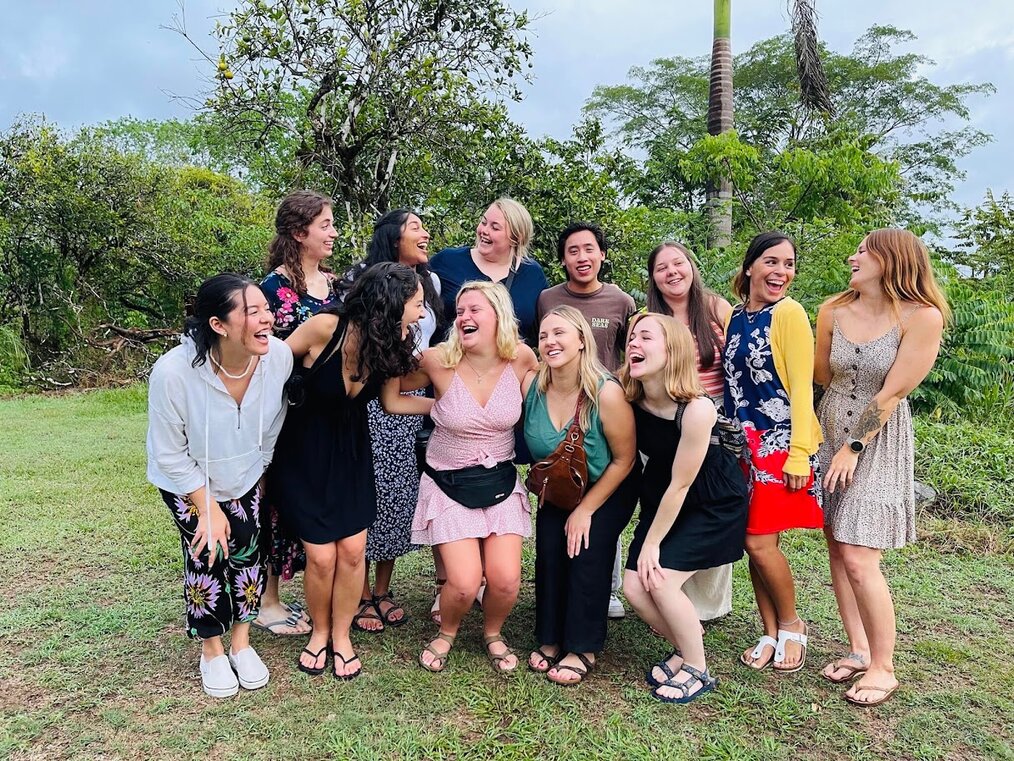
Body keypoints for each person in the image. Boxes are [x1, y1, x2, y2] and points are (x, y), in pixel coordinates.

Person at [267, 263, 429, 680]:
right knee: (321, 557)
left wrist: (450, 409)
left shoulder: (389, 343)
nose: (422, 314)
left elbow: (394, 402)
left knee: (354, 551)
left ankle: (342, 636)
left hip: (354, 454)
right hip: (303, 454)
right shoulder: (325, 327)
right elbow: (270, 369)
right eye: (417, 304)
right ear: (392, 303)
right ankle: (319, 633)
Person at [814, 229, 947, 706]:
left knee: (858, 554)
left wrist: (854, 445)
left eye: (863, 251)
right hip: (831, 428)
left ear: (891, 259)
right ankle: (858, 648)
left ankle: (883, 668)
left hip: (878, 438)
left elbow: (892, 393)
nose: (853, 257)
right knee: (836, 544)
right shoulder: (832, 310)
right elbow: (822, 377)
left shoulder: (922, 317)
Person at [147, 273, 292, 697]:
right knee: (209, 552)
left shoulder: (277, 357)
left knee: (249, 548)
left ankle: (242, 644)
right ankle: (212, 650)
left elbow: (272, 421)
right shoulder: (174, 372)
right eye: (252, 312)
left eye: (266, 308)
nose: (267, 318)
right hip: (185, 477)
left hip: (245, 472)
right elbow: (169, 453)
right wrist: (207, 506)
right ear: (218, 325)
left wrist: (259, 470)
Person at [384, 281, 538, 673]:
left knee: (504, 581)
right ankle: (447, 632)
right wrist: (442, 406)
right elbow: (393, 395)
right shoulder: (438, 359)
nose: (464, 318)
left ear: (499, 316)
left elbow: (545, 402)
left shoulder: (520, 358)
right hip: (448, 484)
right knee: (466, 583)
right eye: (460, 312)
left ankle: (493, 633)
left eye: (474, 310)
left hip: (500, 483)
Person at [427, 197, 548, 618]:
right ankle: (451, 583)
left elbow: (538, 333)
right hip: (454, 377)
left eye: (494, 226)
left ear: (514, 236)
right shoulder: (448, 261)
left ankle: (485, 577)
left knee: (494, 469)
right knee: (452, 472)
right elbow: (427, 311)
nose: (484, 230)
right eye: (483, 222)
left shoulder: (533, 277)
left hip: (502, 384)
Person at [619, 314, 748, 703]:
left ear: (672, 349)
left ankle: (697, 667)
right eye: (630, 338)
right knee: (633, 588)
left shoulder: (696, 410)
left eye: (645, 336)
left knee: (659, 579)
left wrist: (653, 544)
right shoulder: (630, 397)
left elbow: (683, 483)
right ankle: (686, 642)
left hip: (710, 500)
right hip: (662, 496)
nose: (633, 344)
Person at [724, 231, 823, 674]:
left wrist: (799, 453)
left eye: (788, 264)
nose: (780, 271)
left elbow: (803, 387)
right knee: (756, 544)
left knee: (758, 541)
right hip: (742, 445)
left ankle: (792, 624)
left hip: (780, 443)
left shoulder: (790, 313)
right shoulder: (736, 318)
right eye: (770, 261)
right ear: (749, 267)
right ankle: (769, 633)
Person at [341, 209, 444, 633]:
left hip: (412, 392)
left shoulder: (432, 282)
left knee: (400, 492)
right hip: (368, 395)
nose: (424, 233)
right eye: (414, 226)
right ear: (392, 236)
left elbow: (432, 339)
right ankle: (361, 591)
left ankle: (384, 588)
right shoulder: (361, 277)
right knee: (370, 489)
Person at [523, 306, 638, 684]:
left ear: (581, 341)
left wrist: (586, 509)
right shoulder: (532, 387)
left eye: (559, 334)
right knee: (551, 548)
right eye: (543, 336)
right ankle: (552, 636)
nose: (550, 342)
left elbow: (623, 460)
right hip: (560, 483)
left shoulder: (606, 393)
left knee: (585, 546)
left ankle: (583, 645)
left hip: (608, 483)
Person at [536, 222, 637, 621]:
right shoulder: (548, 299)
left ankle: (607, 588)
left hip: (607, 408)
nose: (582, 257)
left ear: (602, 255)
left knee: (604, 494)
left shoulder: (621, 300)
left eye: (589, 249)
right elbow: (540, 346)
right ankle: (561, 591)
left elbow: (629, 352)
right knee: (565, 491)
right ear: (563, 259)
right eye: (573, 250)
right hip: (563, 409)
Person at [256, 189, 339, 636]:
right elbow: (261, 356)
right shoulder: (270, 290)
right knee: (276, 502)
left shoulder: (336, 284)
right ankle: (268, 599)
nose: (333, 233)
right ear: (298, 232)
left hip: (329, 417)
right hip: (284, 414)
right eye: (325, 225)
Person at [646, 241, 737, 625]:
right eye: (662, 267)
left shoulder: (716, 308)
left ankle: (709, 606)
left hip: (713, 418)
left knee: (709, 506)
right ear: (653, 278)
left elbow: (739, 363)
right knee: (670, 501)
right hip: (668, 419)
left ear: (691, 266)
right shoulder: (650, 318)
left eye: (678, 263)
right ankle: (670, 593)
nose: (672, 272)